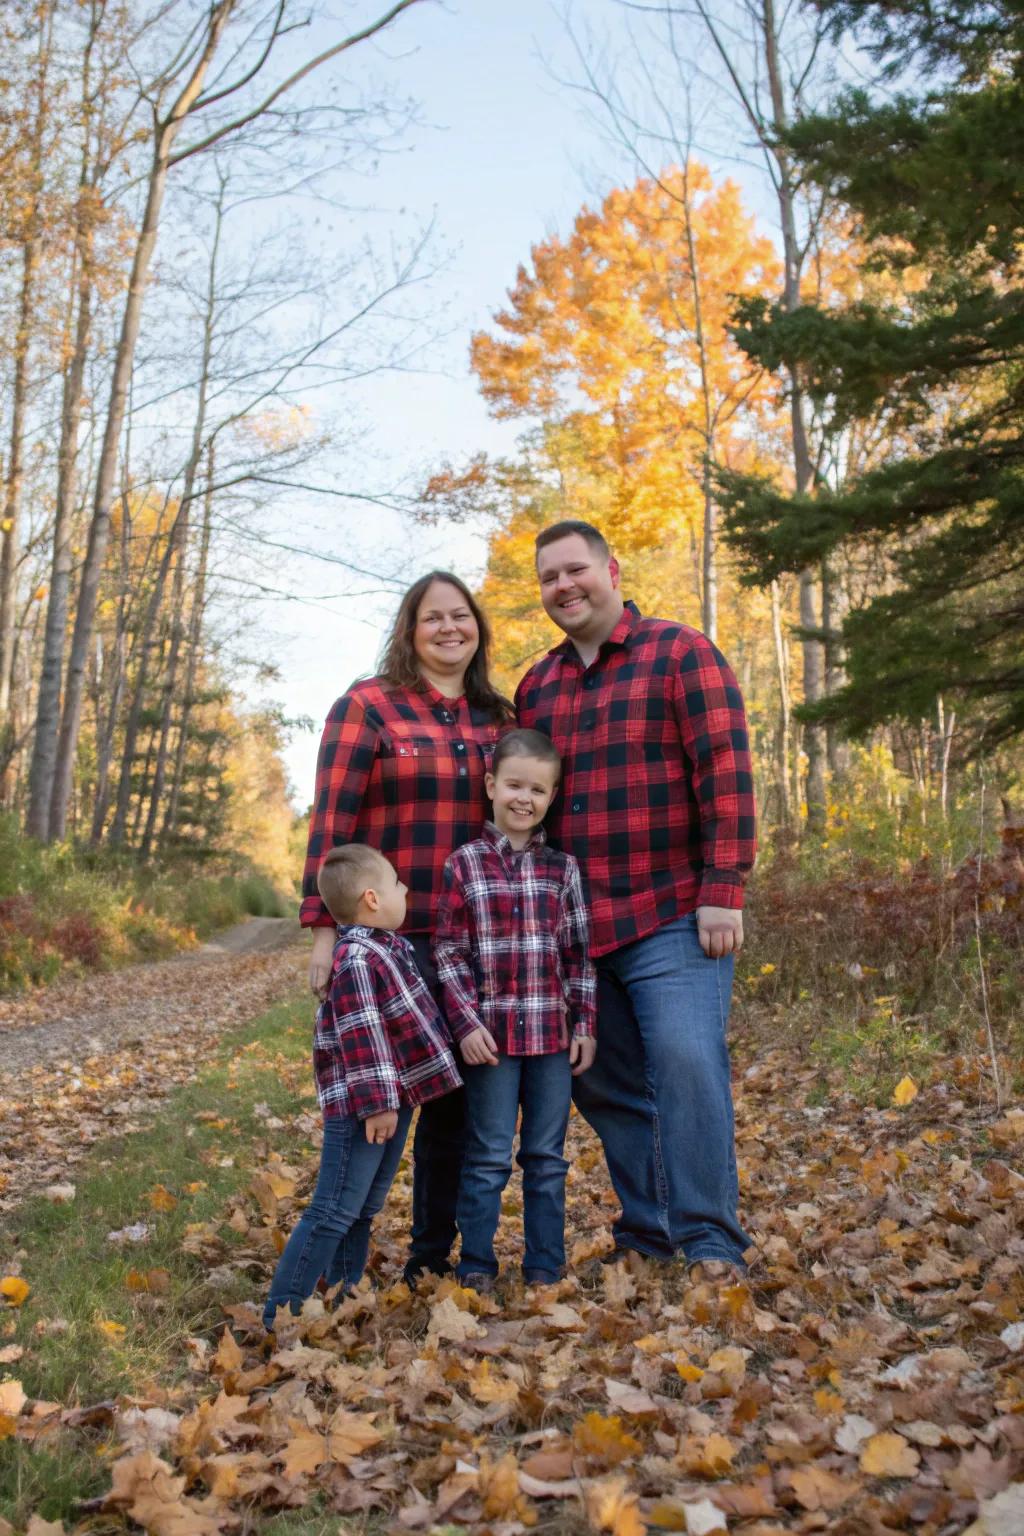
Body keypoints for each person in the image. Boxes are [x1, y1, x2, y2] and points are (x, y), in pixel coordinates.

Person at [515, 520, 756, 1278]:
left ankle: (710, 1239)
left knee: (687, 1060)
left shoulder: (681, 653)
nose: (564, 587)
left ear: (610, 569)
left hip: (672, 912)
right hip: (579, 931)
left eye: (575, 570)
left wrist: (724, 889)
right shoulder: (538, 686)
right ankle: (650, 1228)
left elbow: (726, 772)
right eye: (549, 577)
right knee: (604, 1082)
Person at [301, 572, 512, 1286]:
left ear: (477, 626)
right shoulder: (368, 706)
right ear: (409, 628)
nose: (449, 628)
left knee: (454, 1112)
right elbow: (331, 822)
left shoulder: (498, 718)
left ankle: (430, 1258)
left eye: (461, 616)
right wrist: (324, 929)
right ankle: (332, 1266)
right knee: (377, 1107)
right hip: (389, 945)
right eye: (433, 618)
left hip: (469, 945)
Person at [264, 845, 462, 1328]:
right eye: (397, 883)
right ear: (372, 898)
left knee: (362, 1207)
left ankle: (344, 1296)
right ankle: (282, 1316)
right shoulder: (356, 957)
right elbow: (363, 1032)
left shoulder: (385, 948)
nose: (405, 889)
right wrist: (378, 1105)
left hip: (393, 1099)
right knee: (333, 1208)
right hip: (366, 1105)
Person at [433, 728, 597, 1290]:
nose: (524, 798)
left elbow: (578, 954)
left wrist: (587, 1025)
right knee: (486, 1158)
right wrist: (466, 1023)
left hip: (553, 1039)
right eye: (513, 785)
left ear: (552, 796)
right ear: (490, 786)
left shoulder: (563, 869)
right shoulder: (465, 864)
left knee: (547, 1159)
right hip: (493, 1042)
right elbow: (449, 952)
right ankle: (476, 1266)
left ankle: (544, 1268)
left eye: (538, 789)